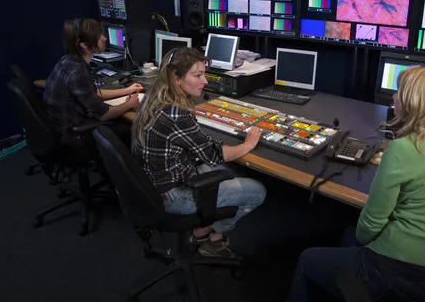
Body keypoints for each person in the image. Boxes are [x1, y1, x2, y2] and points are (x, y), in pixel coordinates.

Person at [287, 66, 425, 302]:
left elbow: (371, 223)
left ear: (412, 101)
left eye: (398, 92)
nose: (393, 97)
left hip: (398, 274)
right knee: (347, 236)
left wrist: (366, 241)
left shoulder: (403, 148)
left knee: (308, 260)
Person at [131, 47, 266, 259]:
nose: (205, 81)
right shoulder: (176, 113)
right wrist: (247, 145)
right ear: (176, 78)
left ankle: (202, 229)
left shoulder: (152, 97)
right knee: (257, 191)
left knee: (226, 171)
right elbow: (213, 155)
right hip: (173, 196)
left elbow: (195, 144)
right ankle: (213, 239)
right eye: (198, 75)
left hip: (152, 186)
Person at [43, 18, 142, 148]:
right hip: (75, 136)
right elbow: (104, 115)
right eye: (99, 36)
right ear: (84, 44)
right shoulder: (76, 72)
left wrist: (127, 90)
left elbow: (92, 93)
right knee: (132, 130)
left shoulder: (69, 61)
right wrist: (129, 104)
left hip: (65, 127)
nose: (104, 38)